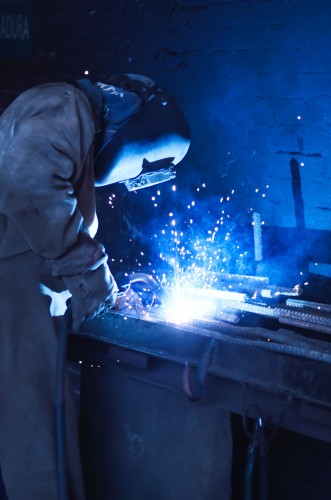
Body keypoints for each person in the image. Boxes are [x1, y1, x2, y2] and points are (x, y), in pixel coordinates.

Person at [0, 73, 190, 499]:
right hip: (14, 294)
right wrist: (99, 290)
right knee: (35, 436)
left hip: (21, 286)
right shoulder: (66, 105)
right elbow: (30, 188)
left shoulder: (63, 110)